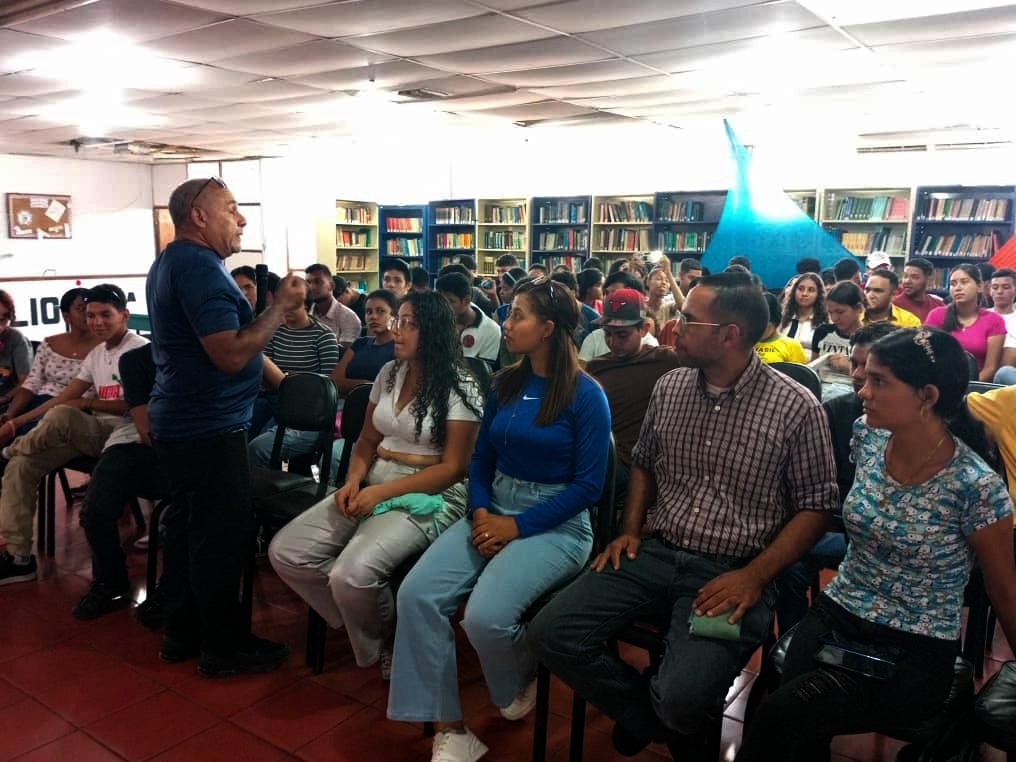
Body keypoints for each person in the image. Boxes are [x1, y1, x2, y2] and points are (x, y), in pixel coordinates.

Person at [529, 272, 837, 758]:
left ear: (728, 334)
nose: (674, 327)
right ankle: (650, 712)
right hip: (657, 550)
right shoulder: (671, 386)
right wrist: (629, 530)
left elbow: (817, 507)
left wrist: (755, 576)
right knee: (549, 634)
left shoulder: (794, 406)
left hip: (732, 570)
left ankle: (663, 709)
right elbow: (645, 463)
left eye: (689, 320)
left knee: (683, 699)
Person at [736, 327, 1016, 762]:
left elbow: (1003, 590)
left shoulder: (975, 485)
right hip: (840, 610)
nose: (863, 389)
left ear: (927, 395)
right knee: (796, 722)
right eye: (865, 376)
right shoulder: (868, 436)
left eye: (880, 381)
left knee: (780, 714)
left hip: (915, 643)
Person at [388, 278, 610, 762]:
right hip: (494, 506)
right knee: (417, 594)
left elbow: (588, 488)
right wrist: (483, 511)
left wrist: (517, 527)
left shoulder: (586, 395)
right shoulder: (507, 382)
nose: (506, 324)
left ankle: (520, 674)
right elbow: (482, 458)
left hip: (557, 521)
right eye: (508, 315)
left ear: (548, 329)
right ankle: (450, 730)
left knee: (486, 617)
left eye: (518, 317)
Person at [269, 291, 482, 680]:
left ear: (433, 331)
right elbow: (367, 440)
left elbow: (453, 468)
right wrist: (352, 481)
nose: (397, 331)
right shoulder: (389, 374)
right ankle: (377, 623)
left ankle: (386, 634)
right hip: (374, 476)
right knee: (288, 552)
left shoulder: (460, 385)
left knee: (350, 574)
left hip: (428, 493)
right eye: (398, 320)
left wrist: (377, 493)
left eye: (410, 324)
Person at [146, 176, 306, 676]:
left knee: (186, 529)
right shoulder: (199, 268)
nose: (240, 220)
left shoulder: (171, 261)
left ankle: (181, 630)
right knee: (220, 538)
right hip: (208, 427)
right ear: (199, 215)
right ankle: (223, 645)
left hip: (182, 421)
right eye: (232, 209)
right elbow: (232, 354)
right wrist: (278, 307)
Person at [0, 284, 148, 585]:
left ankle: (6, 452)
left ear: (125, 316)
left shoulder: (140, 350)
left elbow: (140, 408)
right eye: (91, 315)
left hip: (125, 434)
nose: (96, 322)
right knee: (23, 466)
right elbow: (60, 398)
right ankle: (19, 559)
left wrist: (87, 403)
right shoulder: (97, 354)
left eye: (105, 314)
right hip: (93, 431)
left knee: (64, 415)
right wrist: (14, 424)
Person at [775, 321, 897, 635]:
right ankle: (793, 641)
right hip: (839, 524)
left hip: (895, 541)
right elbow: (814, 484)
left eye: (868, 367)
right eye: (854, 363)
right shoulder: (837, 412)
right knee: (787, 564)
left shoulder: (915, 425)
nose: (856, 374)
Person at [73, 343, 167, 620]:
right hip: (136, 440)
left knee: (185, 513)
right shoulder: (137, 359)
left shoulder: (212, 353)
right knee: (95, 512)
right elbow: (145, 426)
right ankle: (110, 583)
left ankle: (171, 589)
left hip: (192, 444)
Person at [585, 287, 680, 500]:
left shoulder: (666, 360)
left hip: (636, 467)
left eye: (622, 335)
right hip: (600, 458)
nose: (613, 342)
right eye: (607, 334)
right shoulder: (595, 367)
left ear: (644, 329)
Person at [247, 278, 341, 441]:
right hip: (274, 396)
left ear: (305, 304)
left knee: (263, 436)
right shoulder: (275, 331)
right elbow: (266, 370)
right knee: (246, 421)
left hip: (306, 403)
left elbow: (328, 384)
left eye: (293, 303)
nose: (287, 308)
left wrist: (288, 379)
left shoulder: (323, 336)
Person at [0, 287, 99, 440]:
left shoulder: (104, 348)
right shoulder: (50, 343)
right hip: (39, 401)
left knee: (29, 434)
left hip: (74, 408)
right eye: (81, 309)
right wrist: (10, 413)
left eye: (91, 310)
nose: (88, 314)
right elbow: (31, 384)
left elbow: (90, 393)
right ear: (66, 316)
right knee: (13, 429)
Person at [925, 263, 1005, 381]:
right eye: (953, 284)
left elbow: (990, 368)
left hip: (975, 385)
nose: (958, 288)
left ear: (979, 286)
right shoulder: (936, 315)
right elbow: (924, 354)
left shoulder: (994, 320)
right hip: (938, 382)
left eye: (964, 282)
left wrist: (966, 388)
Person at [330, 289, 398, 397]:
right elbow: (335, 381)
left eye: (380, 311)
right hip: (347, 404)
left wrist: (351, 384)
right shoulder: (360, 343)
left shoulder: (399, 348)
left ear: (394, 315)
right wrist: (367, 385)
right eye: (369, 312)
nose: (373, 317)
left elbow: (390, 389)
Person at [811, 281, 865, 399]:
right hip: (821, 389)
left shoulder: (869, 338)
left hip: (853, 393)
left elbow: (874, 379)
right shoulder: (822, 332)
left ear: (859, 308)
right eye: (830, 312)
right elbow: (812, 370)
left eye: (840, 312)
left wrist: (849, 366)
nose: (834, 318)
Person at [435, 272, 501, 369]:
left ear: (466, 300)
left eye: (450, 301)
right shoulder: (435, 320)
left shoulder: (491, 330)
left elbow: (483, 373)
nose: (443, 307)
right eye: (441, 301)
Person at [305, 263, 361, 344]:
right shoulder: (305, 313)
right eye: (308, 283)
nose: (312, 287)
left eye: (318, 282)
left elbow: (343, 353)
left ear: (331, 286)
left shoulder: (348, 317)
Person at [0, 289, 34, 414]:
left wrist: (5, 398)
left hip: (8, 404)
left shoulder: (16, 339)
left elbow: (27, 382)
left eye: (2, 320)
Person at [779, 272, 827, 353]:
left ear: (818, 294)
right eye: (800, 289)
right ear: (794, 291)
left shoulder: (826, 322)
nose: (804, 294)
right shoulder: (782, 318)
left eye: (811, 290)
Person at [757, 293, 807, 363]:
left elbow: (800, 372)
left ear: (775, 322)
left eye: (764, 325)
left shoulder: (791, 346)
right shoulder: (747, 344)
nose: (759, 329)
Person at [893, 257, 944, 322]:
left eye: (915, 277)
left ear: (929, 279)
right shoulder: (894, 305)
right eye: (905, 276)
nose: (907, 281)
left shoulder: (938, 305)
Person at [644, 256, 684, 335]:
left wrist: (669, 273)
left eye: (667, 280)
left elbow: (682, 305)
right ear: (648, 282)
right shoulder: (642, 305)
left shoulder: (668, 306)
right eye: (659, 279)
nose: (664, 283)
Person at [989, 268, 1016, 383]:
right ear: (989, 290)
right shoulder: (981, 316)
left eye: (1006, 287)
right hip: (986, 373)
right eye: (995, 287)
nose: (999, 291)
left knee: (1006, 372)